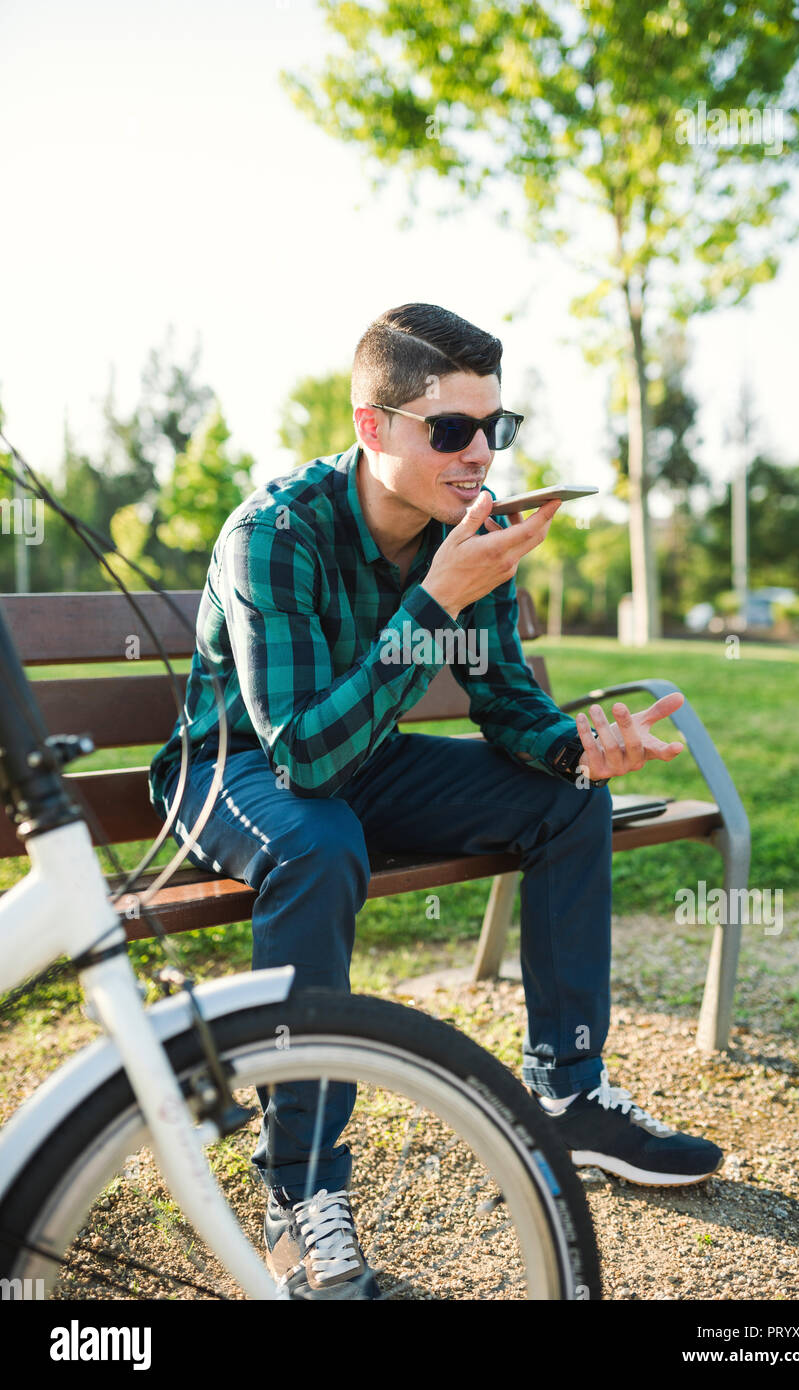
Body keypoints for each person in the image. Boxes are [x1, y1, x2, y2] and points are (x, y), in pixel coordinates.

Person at [149, 302, 723, 1300]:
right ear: (373, 426)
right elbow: (304, 759)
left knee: (565, 799)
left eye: (495, 426)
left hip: (351, 757)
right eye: (451, 429)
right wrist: (432, 605)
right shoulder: (272, 535)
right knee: (319, 842)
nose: (479, 452)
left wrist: (578, 749)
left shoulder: (473, 527)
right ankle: (300, 1192)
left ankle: (569, 1092)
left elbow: (503, 699)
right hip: (229, 769)